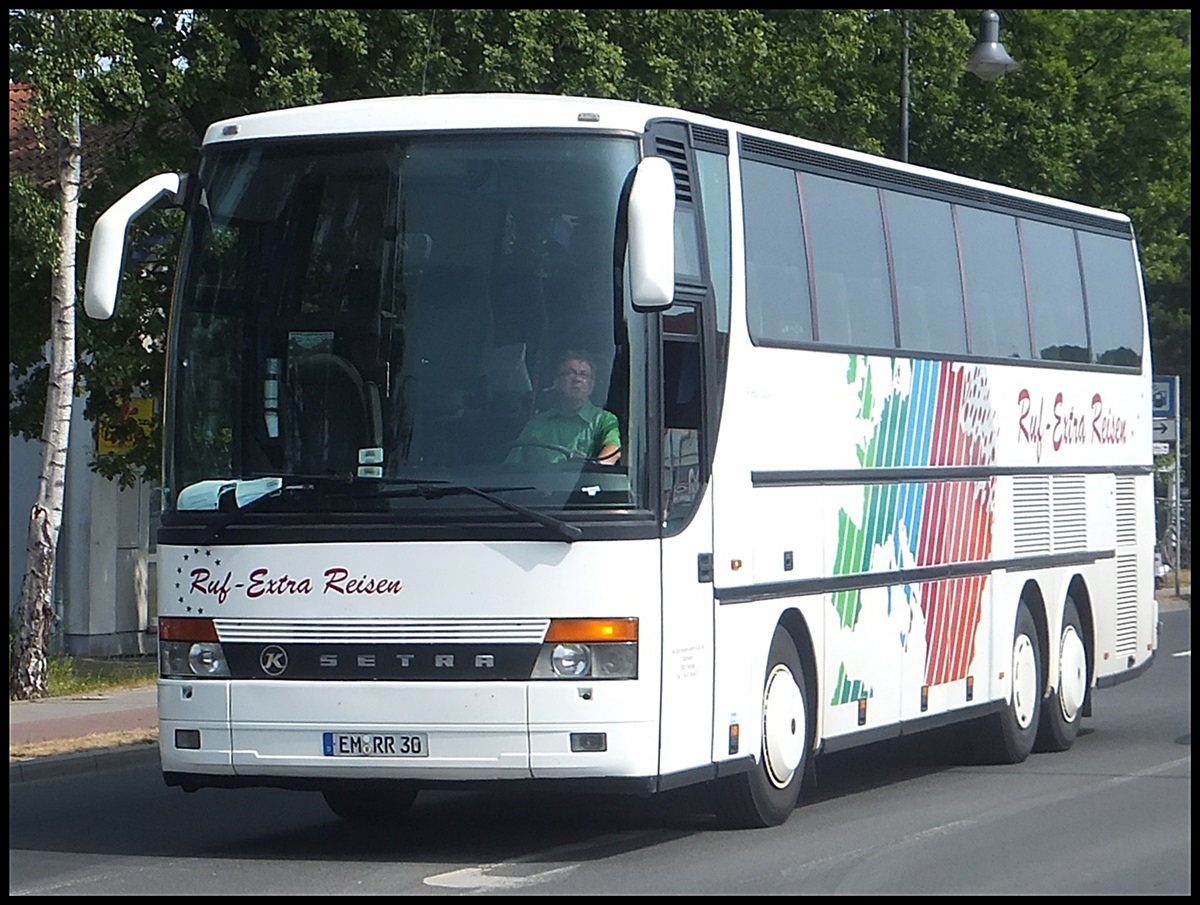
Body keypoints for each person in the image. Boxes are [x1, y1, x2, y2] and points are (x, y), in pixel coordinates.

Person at [505, 350, 621, 466]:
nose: (577, 379)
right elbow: (511, 469)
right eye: (570, 373)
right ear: (557, 382)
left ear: (591, 385)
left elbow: (613, 449)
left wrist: (598, 467)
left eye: (584, 375)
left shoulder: (604, 420)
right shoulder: (537, 424)